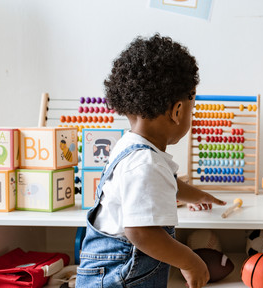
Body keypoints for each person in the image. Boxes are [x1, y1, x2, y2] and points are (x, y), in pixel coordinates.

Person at [76, 34, 226, 288]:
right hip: (119, 278)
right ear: (177, 111)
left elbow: (166, 184)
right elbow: (141, 232)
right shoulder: (145, 163)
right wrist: (190, 261)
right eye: (192, 106)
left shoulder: (132, 147)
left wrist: (198, 195)